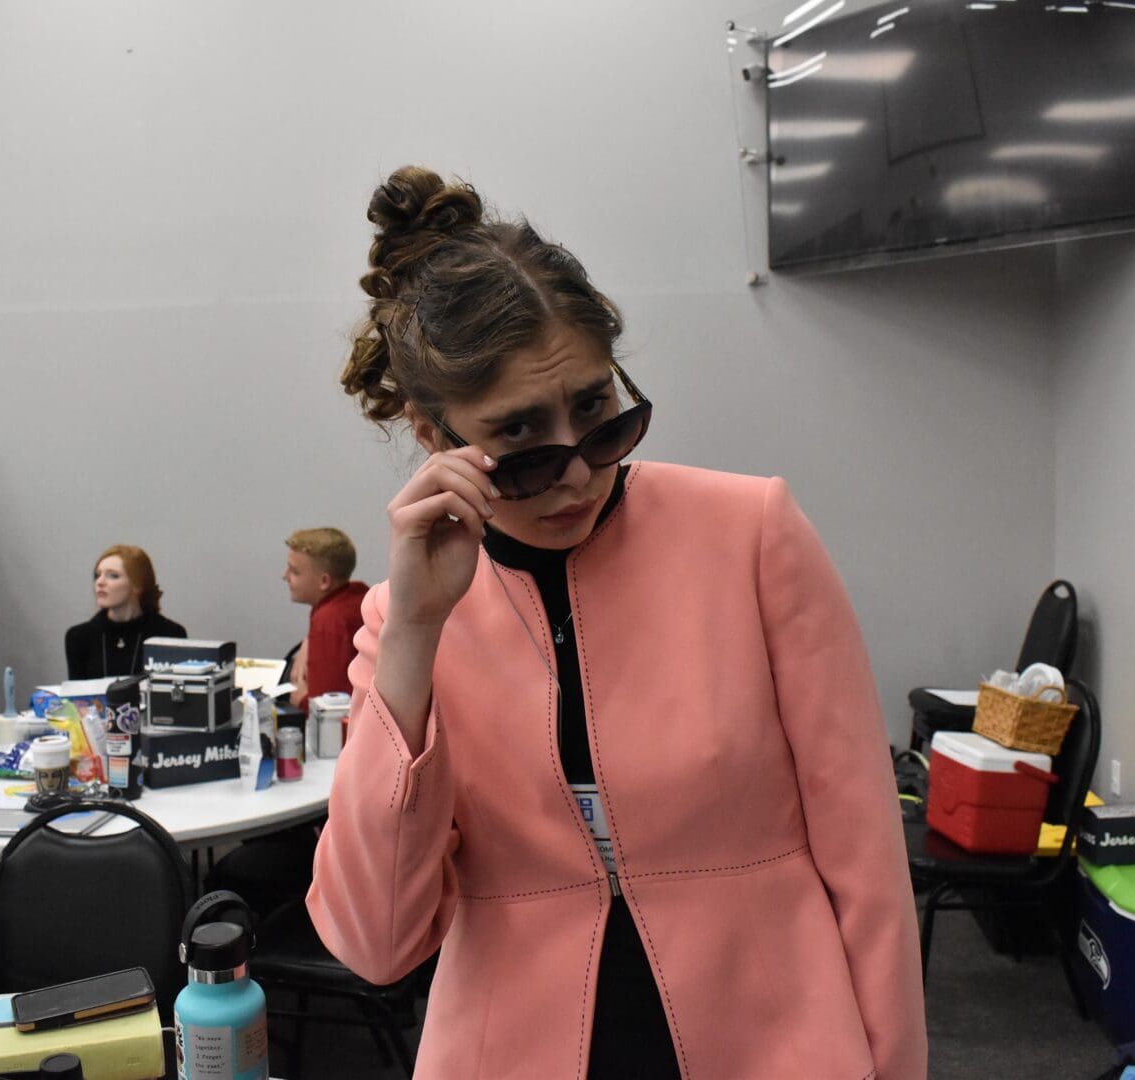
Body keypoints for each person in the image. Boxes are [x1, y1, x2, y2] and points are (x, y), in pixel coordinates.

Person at [307, 167, 928, 1078]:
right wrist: (414, 635)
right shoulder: (405, 619)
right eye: (519, 438)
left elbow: (863, 852)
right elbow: (375, 943)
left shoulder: (748, 534)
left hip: (774, 1036)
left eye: (597, 412)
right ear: (434, 438)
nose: (574, 474)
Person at [64, 545, 186, 680]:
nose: (100, 582)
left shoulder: (170, 635)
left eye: (113, 576)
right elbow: (76, 692)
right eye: (98, 575)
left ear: (138, 585)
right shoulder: (79, 637)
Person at [281, 527, 369, 710]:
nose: (285, 577)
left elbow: (327, 709)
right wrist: (308, 640)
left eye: (294, 571)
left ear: (324, 582)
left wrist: (301, 700)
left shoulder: (329, 621)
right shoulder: (357, 595)